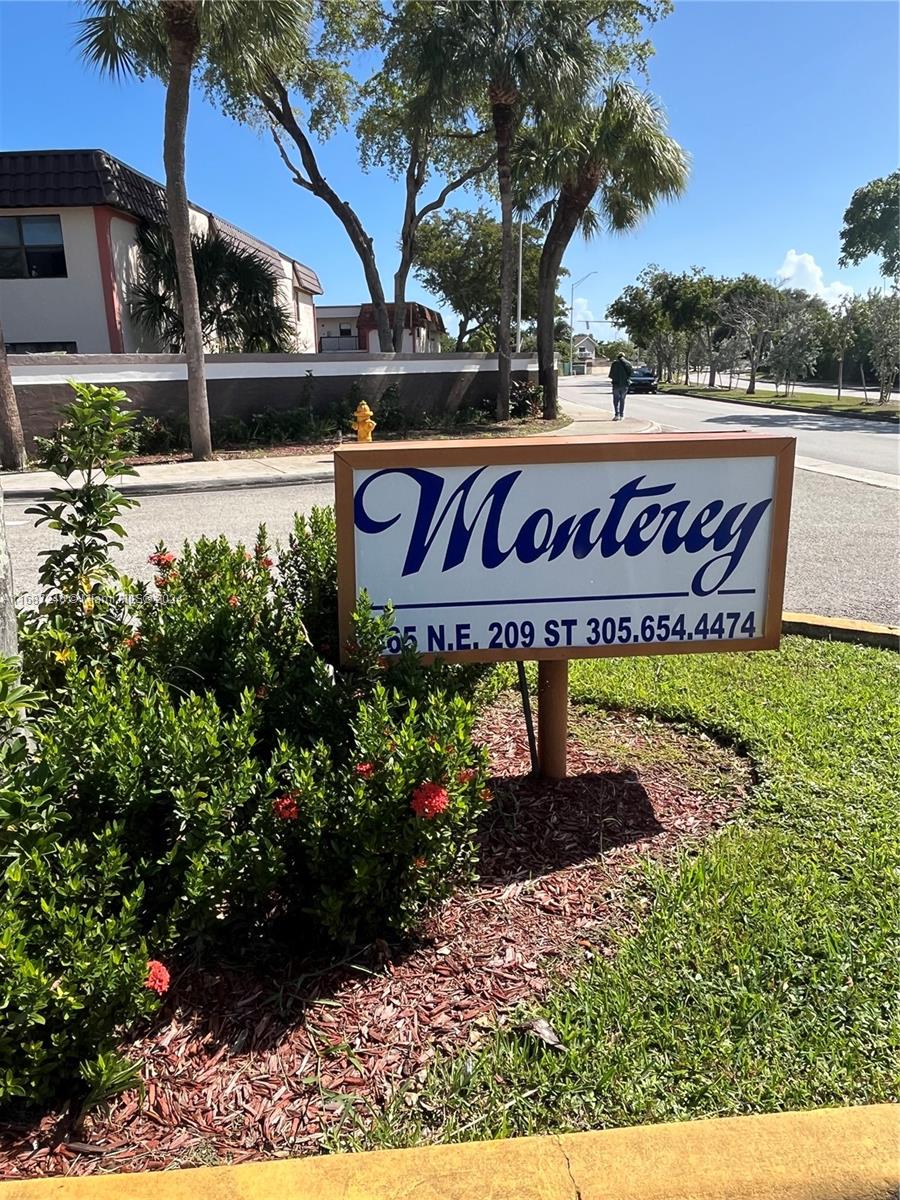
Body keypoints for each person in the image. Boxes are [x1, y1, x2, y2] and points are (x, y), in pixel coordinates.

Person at [608, 353, 633, 421]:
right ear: (624, 356)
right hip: (625, 385)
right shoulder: (628, 363)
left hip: (616, 384)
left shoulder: (614, 364)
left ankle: (617, 415)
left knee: (616, 400)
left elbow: (611, 375)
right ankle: (622, 415)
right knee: (622, 400)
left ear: (618, 357)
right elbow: (631, 374)